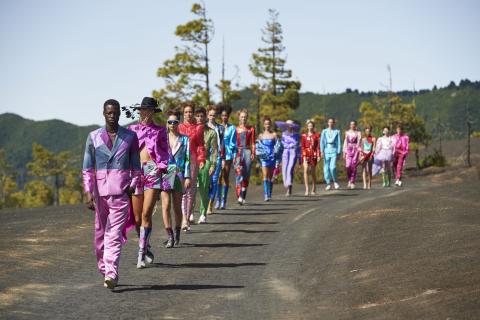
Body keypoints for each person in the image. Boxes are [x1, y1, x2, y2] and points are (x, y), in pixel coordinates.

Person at [82, 99, 141, 289]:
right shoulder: (93, 137)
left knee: (114, 234)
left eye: (115, 112)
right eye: (109, 113)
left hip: (121, 192)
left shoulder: (129, 137)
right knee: (100, 236)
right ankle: (104, 268)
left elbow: (136, 167)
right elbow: (87, 168)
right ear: (104, 113)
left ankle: (111, 272)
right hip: (100, 193)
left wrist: (133, 184)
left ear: (119, 114)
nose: (113, 116)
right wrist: (88, 191)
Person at [127, 97, 169, 269]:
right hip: (135, 172)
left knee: (146, 214)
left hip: (153, 170)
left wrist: (164, 172)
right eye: (143, 110)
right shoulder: (131, 130)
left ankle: (141, 253)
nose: (146, 113)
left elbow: (166, 153)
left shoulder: (160, 131)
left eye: (149, 110)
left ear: (153, 112)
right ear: (140, 111)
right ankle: (145, 244)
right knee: (137, 219)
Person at [160, 111, 191, 247]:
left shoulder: (185, 139)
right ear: (166, 123)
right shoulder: (162, 139)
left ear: (179, 123)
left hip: (178, 173)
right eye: (170, 122)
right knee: (165, 205)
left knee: (177, 207)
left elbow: (188, 158)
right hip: (165, 173)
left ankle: (177, 232)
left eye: (175, 122)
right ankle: (170, 236)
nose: (172, 124)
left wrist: (188, 176)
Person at [178, 102, 206, 230]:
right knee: (182, 191)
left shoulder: (198, 128)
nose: (188, 114)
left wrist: (201, 159)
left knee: (190, 191)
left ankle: (186, 219)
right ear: (183, 114)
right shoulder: (178, 127)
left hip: (193, 160)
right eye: (186, 112)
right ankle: (184, 217)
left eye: (190, 112)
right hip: (180, 161)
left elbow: (201, 145)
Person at [195, 107, 218, 224]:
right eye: (197, 116)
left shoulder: (212, 132)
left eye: (202, 116)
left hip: (206, 161)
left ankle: (203, 213)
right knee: (191, 189)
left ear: (205, 117)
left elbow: (214, 151)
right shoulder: (191, 131)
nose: (199, 118)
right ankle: (189, 213)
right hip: (193, 161)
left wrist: (213, 165)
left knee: (204, 188)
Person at [256, 116, 282, 201]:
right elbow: (257, 147)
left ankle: (270, 193)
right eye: (266, 124)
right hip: (264, 158)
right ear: (263, 125)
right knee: (265, 176)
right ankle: (266, 194)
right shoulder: (260, 136)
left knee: (271, 177)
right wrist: (258, 158)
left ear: (270, 125)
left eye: (268, 124)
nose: (267, 125)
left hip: (272, 157)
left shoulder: (274, 135)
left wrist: (278, 158)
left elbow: (278, 146)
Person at [216, 105, 237, 209]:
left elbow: (233, 143)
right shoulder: (217, 127)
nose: (224, 117)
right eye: (223, 115)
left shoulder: (232, 128)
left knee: (225, 176)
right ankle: (218, 200)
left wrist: (233, 155)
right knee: (218, 176)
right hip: (218, 153)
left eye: (226, 115)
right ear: (220, 116)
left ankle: (224, 200)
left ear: (228, 116)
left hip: (227, 153)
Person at [235, 109, 255, 205]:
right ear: (239, 117)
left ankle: (243, 195)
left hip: (247, 151)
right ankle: (238, 194)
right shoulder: (235, 129)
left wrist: (253, 153)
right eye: (242, 117)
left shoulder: (251, 129)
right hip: (238, 151)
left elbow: (253, 143)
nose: (243, 119)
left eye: (245, 117)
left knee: (246, 174)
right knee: (238, 172)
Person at [207, 104, 224, 215]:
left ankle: (210, 205)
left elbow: (222, 144)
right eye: (210, 115)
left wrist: (222, 158)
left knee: (214, 181)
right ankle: (205, 202)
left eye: (214, 115)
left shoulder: (221, 128)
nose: (212, 117)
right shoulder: (203, 127)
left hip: (217, 156)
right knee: (206, 182)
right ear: (208, 116)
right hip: (205, 157)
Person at [276, 120, 301, 196]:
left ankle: (289, 184)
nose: (289, 126)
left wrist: (300, 157)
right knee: (284, 168)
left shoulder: (296, 135)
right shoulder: (283, 134)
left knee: (290, 169)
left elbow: (298, 145)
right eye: (288, 125)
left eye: (290, 125)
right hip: (285, 152)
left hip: (293, 152)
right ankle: (286, 184)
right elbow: (282, 145)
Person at [320, 118, 342, 190]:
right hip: (326, 151)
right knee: (326, 168)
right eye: (329, 122)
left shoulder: (337, 132)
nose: (331, 123)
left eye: (332, 122)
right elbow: (322, 142)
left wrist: (339, 152)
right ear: (328, 123)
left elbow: (339, 142)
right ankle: (328, 183)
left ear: (334, 123)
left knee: (332, 167)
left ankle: (335, 182)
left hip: (334, 150)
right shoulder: (324, 131)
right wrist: (322, 151)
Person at [301, 120, 320, 195]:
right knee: (305, 170)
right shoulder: (304, 136)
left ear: (313, 127)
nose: (310, 127)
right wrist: (304, 155)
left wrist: (318, 155)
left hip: (313, 154)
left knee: (312, 171)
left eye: (311, 126)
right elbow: (302, 146)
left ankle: (314, 187)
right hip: (306, 154)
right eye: (309, 126)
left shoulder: (316, 135)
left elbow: (318, 146)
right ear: (307, 127)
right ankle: (307, 189)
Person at [343, 120, 362, 189]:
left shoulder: (358, 133)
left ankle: (352, 181)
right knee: (348, 166)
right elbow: (345, 142)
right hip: (348, 149)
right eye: (351, 124)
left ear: (355, 125)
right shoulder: (347, 133)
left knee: (353, 166)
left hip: (355, 150)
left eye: (354, 124)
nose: (352, 125)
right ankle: (349, 179)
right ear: (350, 125)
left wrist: (360, 152)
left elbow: (359, 143)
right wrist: (344, 152)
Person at [358, 125, 376, 189]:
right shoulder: (363, 139)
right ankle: (364, 184)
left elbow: (374, 148)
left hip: (370, 155)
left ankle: (369, 184)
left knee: (369, 170)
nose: (368, 132)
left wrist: (371, 155)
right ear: (365, 132)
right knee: (364, 169)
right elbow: (361, 148)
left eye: (369, 131)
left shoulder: (373, 139)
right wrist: (361, 155)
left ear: (370, 131)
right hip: (364, 155)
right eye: (366, 131)